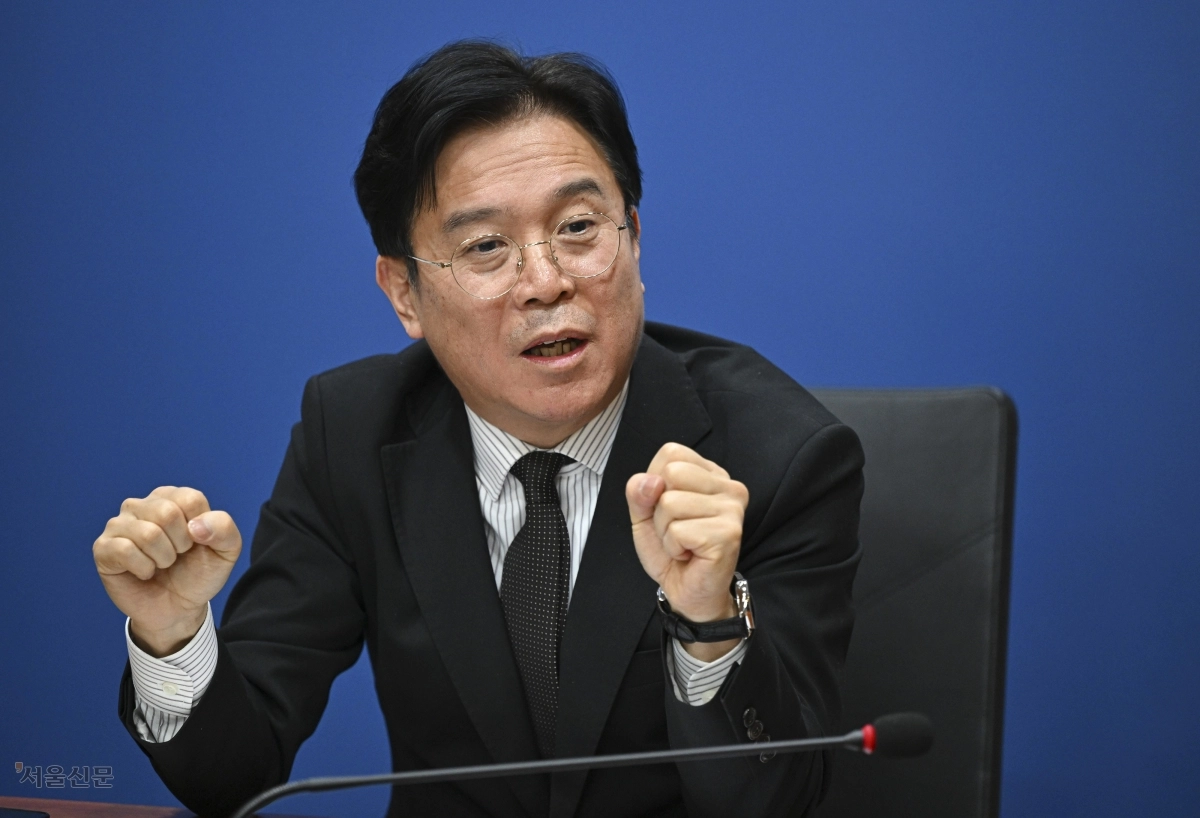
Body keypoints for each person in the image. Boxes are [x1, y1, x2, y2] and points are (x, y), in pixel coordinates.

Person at [92, 41, 864, 818]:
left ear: (632, 236)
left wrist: (710, 627)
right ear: (404, 293)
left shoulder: (778, 457)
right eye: (486, 246)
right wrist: (174, 635)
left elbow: (781, 801)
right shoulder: (352, 435)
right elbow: (234, 778)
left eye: (578, 226)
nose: (546, 282)